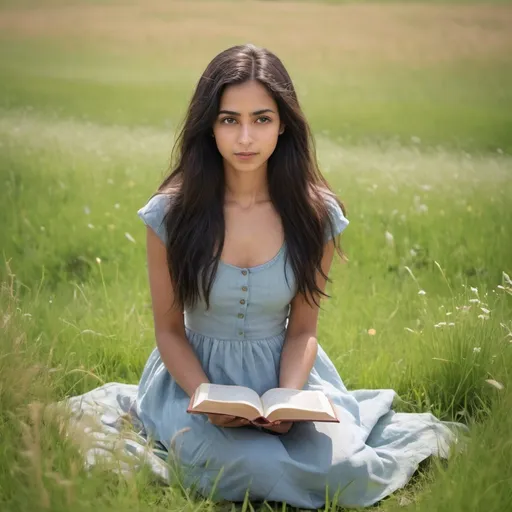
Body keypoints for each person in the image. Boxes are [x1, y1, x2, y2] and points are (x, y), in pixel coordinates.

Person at [70, 43, 469, 509]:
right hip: (192, 380)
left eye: (261, 119)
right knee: (251, 466)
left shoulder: (314, 214)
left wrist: (286, 395)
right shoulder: (170, 214)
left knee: (340, 469)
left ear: (283, 125)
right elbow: (168, 330)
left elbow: (302, 331)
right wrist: (207, 397)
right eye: (229, 119)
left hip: (289, 377)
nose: (245, 137)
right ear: (209, 126)